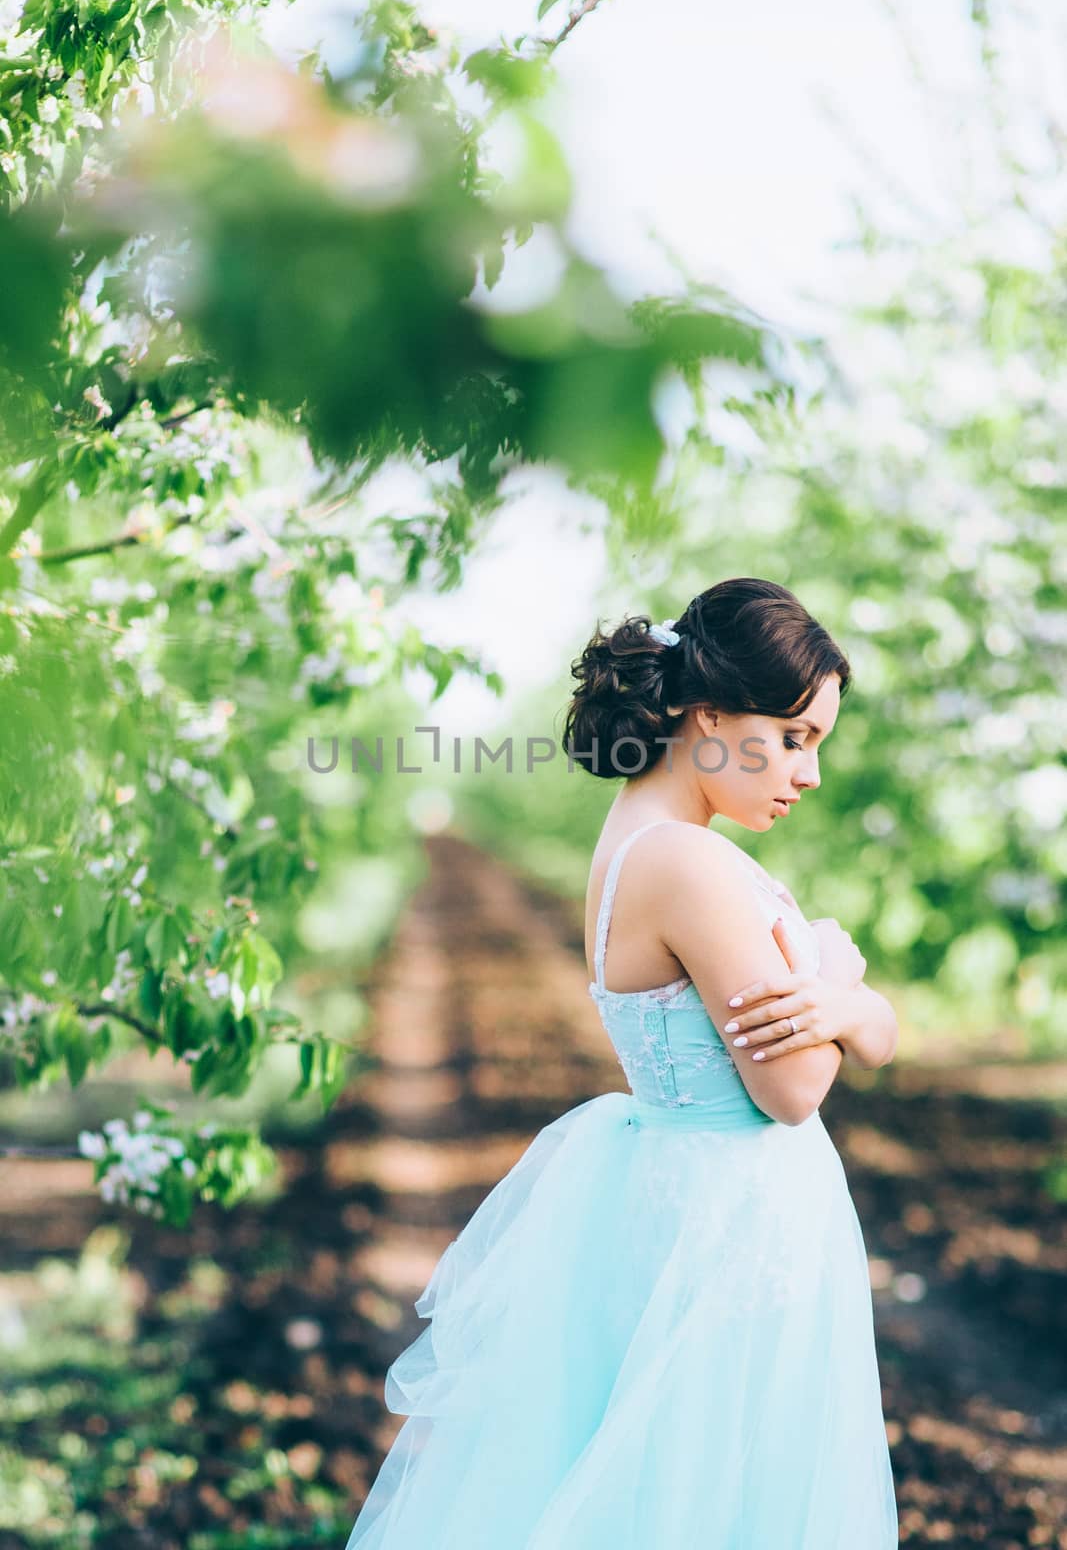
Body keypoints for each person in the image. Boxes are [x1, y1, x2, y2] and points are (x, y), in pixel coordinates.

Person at [342, 576, 900, 1549]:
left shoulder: (637, 840)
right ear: (710, 713)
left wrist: (845, 1001)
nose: (807, 772)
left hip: (680, 1194)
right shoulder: (687, 864)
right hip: (735, 1220)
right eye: (795, 736)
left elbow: (875, 1036)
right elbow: (794, 1086)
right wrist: (841, 981)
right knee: (718, 1485)